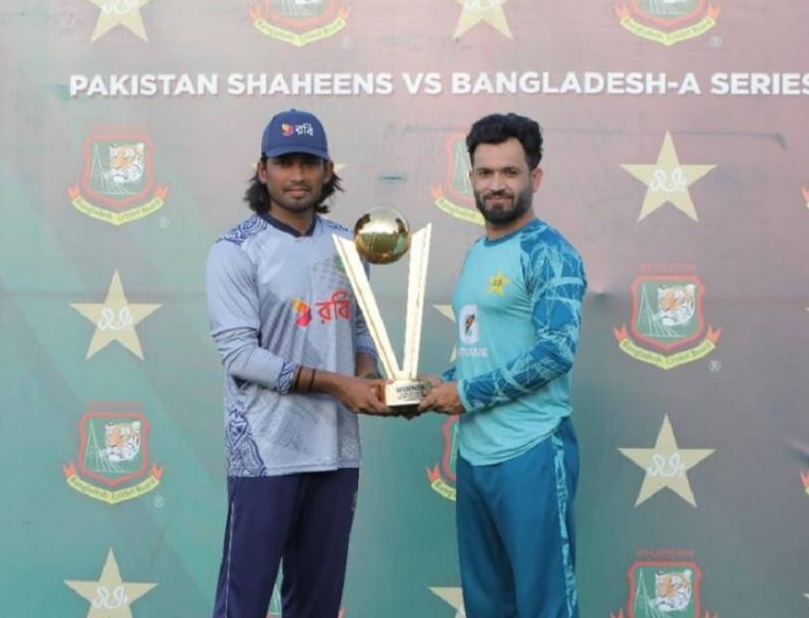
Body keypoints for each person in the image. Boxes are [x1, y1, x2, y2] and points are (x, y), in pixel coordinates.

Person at [205, 108, 385, 618]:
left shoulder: (351, 247)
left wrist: (367, 378)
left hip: (336, 450)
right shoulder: (235, 251)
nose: (298, 175)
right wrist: (336, 383)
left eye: (309, 162)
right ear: (263, 171)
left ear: (329, 171)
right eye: (285, 163)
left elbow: (359, 328)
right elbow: (240, 356)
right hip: (265, 451)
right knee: (243, 603)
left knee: (318, 605)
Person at [417, 112, 587, 618]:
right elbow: (479, 347)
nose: (496, 184)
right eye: (485, 173)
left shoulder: (550, 252)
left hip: (532, 450)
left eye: (509, 173)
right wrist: (438, 384)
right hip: (475, 457)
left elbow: (556, 350)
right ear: (470, 178)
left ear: (534, 178)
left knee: (544, 605)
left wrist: (465, 395)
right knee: (487, 604)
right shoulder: (476, 253)